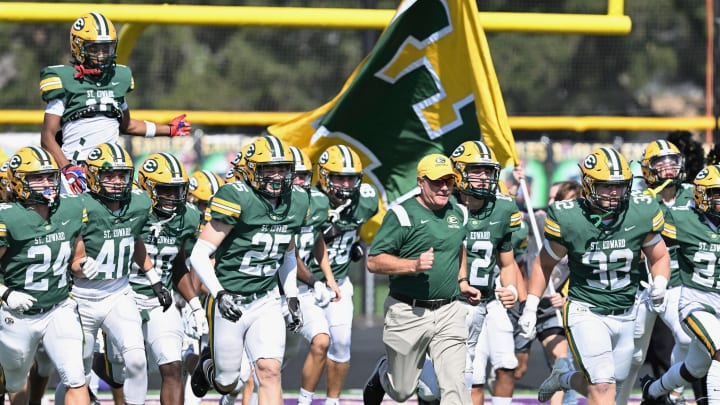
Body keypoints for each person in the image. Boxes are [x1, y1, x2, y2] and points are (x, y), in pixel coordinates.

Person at [518, 146, 671, 404]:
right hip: (585, 309)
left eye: (619, 185)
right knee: (602, 386)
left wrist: (660, 283)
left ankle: (564, 377)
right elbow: (544, 265)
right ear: (588, 185)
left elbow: (659, 256)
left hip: (625, 310)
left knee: (611, 380)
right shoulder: (570, 217)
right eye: (605, 186)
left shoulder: (640, 210)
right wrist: (531, 306)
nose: (614, 192)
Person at [188, 135, 308, 405]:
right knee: (227, 382)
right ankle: (209, 368)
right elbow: (199, 254)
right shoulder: (237, 197)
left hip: (265, 301)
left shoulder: (297, 200)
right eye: (269, 169)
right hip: (230, 300)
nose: (278, 176)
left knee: (270, 372)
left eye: (283, 169)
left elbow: (288, 252)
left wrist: (290, 295)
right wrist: (219, 294)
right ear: (252, 171)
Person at [54, 142, 173, 405]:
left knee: (137, 360)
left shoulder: (139, 202)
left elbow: (134, 240)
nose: (117, 181)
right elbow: (74, 258)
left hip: (118, 293)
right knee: (77, 375)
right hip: (80, 297)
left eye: (122, 175)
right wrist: (82, 265)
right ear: (94, 175)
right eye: (109, 175)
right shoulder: (80, 205)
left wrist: (154, 279)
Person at [363, 153, 480, 405]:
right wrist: (412, 265)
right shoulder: (402, 215)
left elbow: (458, 246)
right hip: (408, 311)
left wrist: (463, 281)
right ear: (421, 182)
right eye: (437, 181)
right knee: (402, 390)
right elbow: (373, 261)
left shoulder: (459, 211)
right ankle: (384, 372)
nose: (444, 187)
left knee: (455, 384)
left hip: (449, 310)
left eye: (449, 180)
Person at [94, 153, 206, 405]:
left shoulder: (186, 216)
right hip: (122, 297)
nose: (173, 197)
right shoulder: (129, 209)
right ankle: (101, 355)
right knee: (122, 372)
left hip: (160, 300)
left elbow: (177, 264)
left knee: (173, 365)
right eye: (165, 190)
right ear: (146, 186)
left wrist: (194, 304)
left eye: (177, 190)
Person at [39, 12, 192, 194]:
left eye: (106, 48)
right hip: (77, 171)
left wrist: (169, 130)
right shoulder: (64, 80)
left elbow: (128, 125)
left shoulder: (117, 79)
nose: (102, 55)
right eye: (95, 49)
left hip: (111, 172)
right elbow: (47, 136)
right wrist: (68, 168)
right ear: (78, 46)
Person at [0, 146, 90, 405]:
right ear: (17, 181)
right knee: (16, 384)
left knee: (76, 377)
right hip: (17, 314)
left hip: (59, 307)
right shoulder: (8, 218)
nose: (46, 183)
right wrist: (6, 293)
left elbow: (76, 258)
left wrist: (84, 265)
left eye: (50, 176)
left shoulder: (70, 208)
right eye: (36, 178)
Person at [296, 144, 377, 405]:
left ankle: (333, 401)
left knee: (341, 344)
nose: (345, 184)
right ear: (324, 176)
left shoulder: (364, 201)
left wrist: (354, 244)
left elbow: (359, 226)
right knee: (283, 351)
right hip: (301, 285)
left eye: (350, 178)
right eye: (339, 177)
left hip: (338, 284)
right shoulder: (307, 201)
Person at [616, 140, 693, 405]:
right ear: (648, 168)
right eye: (661, 163)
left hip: (680, 282)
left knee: (687, 337)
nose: (669, 168)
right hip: (641, 284)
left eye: (673, 161)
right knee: (633, 356)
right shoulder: (635, 198)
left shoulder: (695, 194)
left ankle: (669, 391)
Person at [446, 140, 521, 405]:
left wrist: (510, 289)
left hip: (488, 300)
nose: (484, 177)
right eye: (476, 170)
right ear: (458, 171)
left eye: (488, 171)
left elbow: (508, 262)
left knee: (505, 364)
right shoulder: (442, 206)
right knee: (447, 381)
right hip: (449, 303)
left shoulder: (503, 207)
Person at [640, 164, 720, 404]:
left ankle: (653, 391)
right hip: (698, 302)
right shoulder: (683, 218)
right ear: (701, 195)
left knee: (695, 367)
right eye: (717, 193)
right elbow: (644, 234)